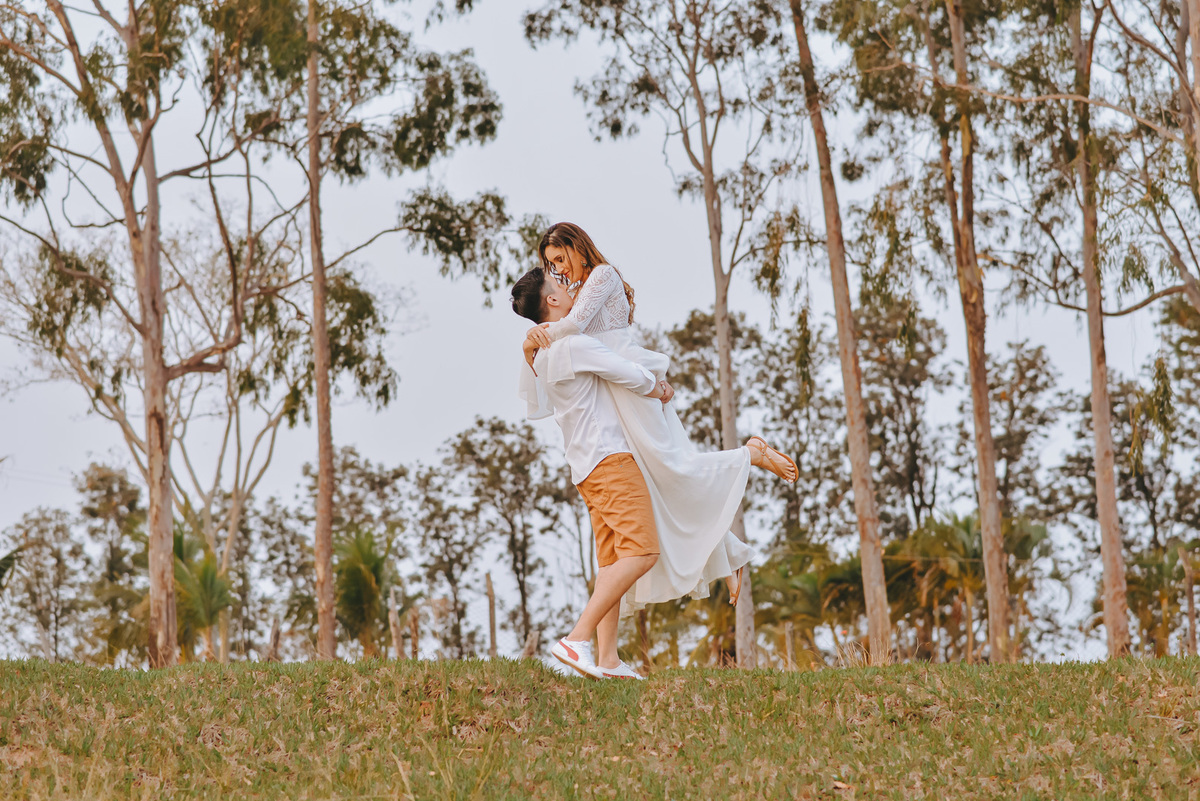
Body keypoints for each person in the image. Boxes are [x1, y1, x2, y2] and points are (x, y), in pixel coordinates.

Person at [518, 223, 797, 618]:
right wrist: (535, 342)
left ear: (578, 249)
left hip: (633, 381)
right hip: (613, 387)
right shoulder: (575, 291)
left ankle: (749, 455)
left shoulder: (602, 275)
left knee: (672, 467)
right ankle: (726, 553)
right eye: (551, 264)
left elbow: (573, 327)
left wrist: (533, 338)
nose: (559, 269)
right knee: (661, 480)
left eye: (560, 259)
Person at [511, 267, 671, 679]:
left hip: (584, 469)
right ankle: (575, 638)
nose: (569, 289)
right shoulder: (573, 345)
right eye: (561, 286)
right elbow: (626, 371)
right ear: (552, 301)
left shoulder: (543, 355)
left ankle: (608, 660)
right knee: (643, 551)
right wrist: (660, 388)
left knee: (612, 561)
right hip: (610, 460)